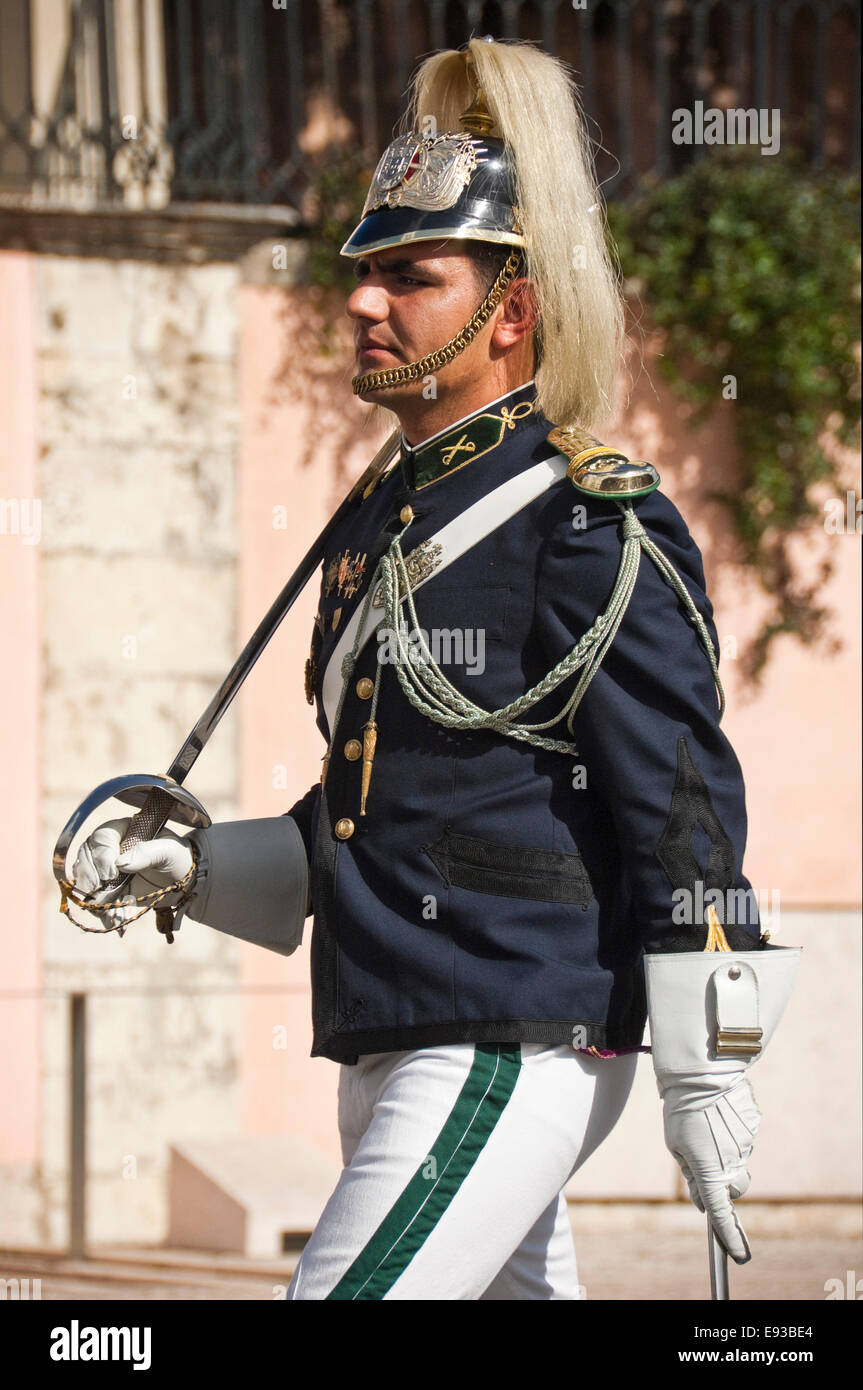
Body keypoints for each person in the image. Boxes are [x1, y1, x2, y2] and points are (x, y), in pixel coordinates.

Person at [70, 38, 791, 1301]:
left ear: (507, 313)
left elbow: (682, 801)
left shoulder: (583, 522)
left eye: (409, 276)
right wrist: (200, 862)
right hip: (397, 1032)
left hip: (506, 1037)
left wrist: (705, 1065)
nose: (361, 302)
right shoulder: (379, 522)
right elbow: (384, 809)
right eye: (364, 274)